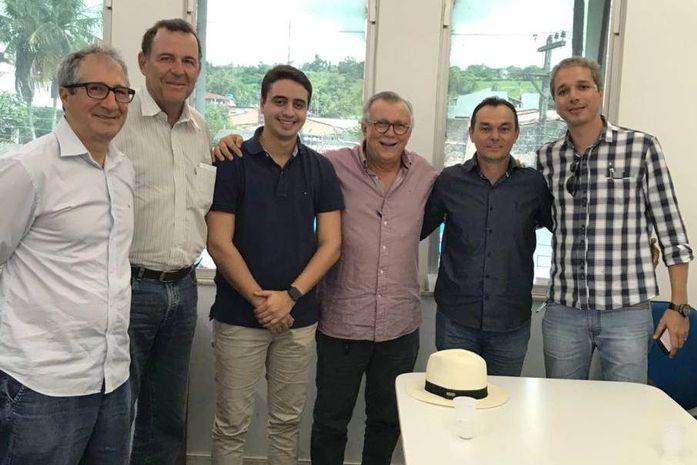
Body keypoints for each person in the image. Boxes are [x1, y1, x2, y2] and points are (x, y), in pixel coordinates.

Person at [0, 46, 134, 465]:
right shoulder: (28, 169)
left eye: (120, 92)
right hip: (42, 383)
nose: (111, 102)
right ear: (65, 95)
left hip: (113, 377)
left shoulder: (123, 169)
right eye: (96, 89)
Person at [206, 65, 343, 465]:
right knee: (231, 425)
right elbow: (219, 243)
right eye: (280, 101)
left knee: (287, 423)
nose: (289, 111)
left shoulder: (320, 169)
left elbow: (331, 244)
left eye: (299, 104)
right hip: (238, 318)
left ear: (307, 111)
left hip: (298, 319)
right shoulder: (231, 162)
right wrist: (264, 302)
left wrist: (291, 297)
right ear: (263, 104)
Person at [537, 56, 693, 382]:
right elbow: (546, 220)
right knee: (563, 404)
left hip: (626, 311)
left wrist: (678, 306)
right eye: (563, 91)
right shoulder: (547, 157)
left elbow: (671, 231)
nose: (573, 97)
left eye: (582, 87)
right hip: (565, 310)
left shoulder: (641, 147)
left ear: (600, 92)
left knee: (627, 404)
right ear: (556, 102)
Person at [311, 91, 437, 465]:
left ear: (409, 131)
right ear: (364, 127)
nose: (389, 133)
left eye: (399, 125)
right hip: (342, 324)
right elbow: (284, 154)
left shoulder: (426, 175)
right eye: (381, 124)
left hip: (399, 327)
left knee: (386, 422)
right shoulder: (331, 165)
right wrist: (234, 143)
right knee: (330, 422)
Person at [112, 18, 214, 464]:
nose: (178, 70)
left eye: (188, 61)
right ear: (143, 62)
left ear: (198, 69)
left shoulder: (201, 130)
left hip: (183, 288)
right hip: (129, 287)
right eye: (166, 58)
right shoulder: (118, 123)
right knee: (116, 410)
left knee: (167, 413)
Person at [421, 97, 552, 376]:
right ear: (471, 133)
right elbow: (416, 229)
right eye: (485, 128)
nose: (495, 136)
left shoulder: (533, 184)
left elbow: (561, 229)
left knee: (504, 398)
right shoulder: (449, 181)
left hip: (511, 322)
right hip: (456, 319)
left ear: (516, 134)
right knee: (453, 395)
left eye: (504, 129)